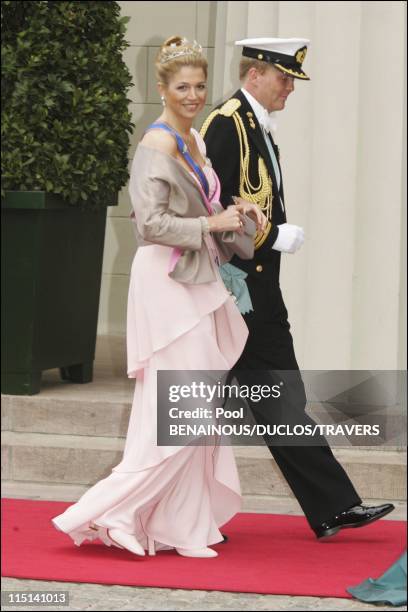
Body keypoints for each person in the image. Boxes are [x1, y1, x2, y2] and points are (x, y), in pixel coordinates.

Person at [51, 36, 266, 559]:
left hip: (195, 278)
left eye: (199, 85)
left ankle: (182, 525)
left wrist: (238, 217)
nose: (193, 95)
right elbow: (150, 224)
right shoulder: (158, 144)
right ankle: (116, 512)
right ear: (162, 88)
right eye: (182, 87)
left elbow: (201, 211)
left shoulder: (194, 141)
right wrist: (209, 221)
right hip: (166, 281)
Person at [201, 37, 394, 539]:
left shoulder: (255, 126)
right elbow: (211, 207)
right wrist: (271, 237)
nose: (290, 88)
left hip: (258, 291)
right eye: (284, 77)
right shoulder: (226, 125)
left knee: (277, 399)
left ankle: (331, 505)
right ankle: (179, 511)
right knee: (246, 401)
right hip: (233, 291)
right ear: (256, 74)